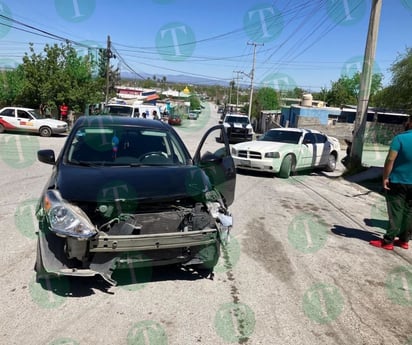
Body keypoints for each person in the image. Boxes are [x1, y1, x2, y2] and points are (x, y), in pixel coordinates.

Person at [370, 116, 412, 250]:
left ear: (410, 122)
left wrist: (385, 177)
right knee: (409, 212)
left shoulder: (400, 138)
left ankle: (388, 241)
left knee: (396, 212)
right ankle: (404, 240)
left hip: (398, 181)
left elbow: (390, 159)